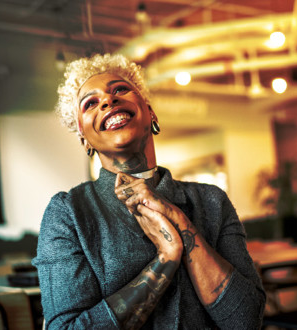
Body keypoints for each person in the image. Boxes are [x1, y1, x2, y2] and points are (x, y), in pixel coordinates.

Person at [32, 53, 266, 329]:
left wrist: (178, 221)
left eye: (120, 89)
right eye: (91, 103)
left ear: (151, 112)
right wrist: (166, 259)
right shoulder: (68, 214)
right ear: (84, 139)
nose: (108, 100)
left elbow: (246, 321)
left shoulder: (212, 201)